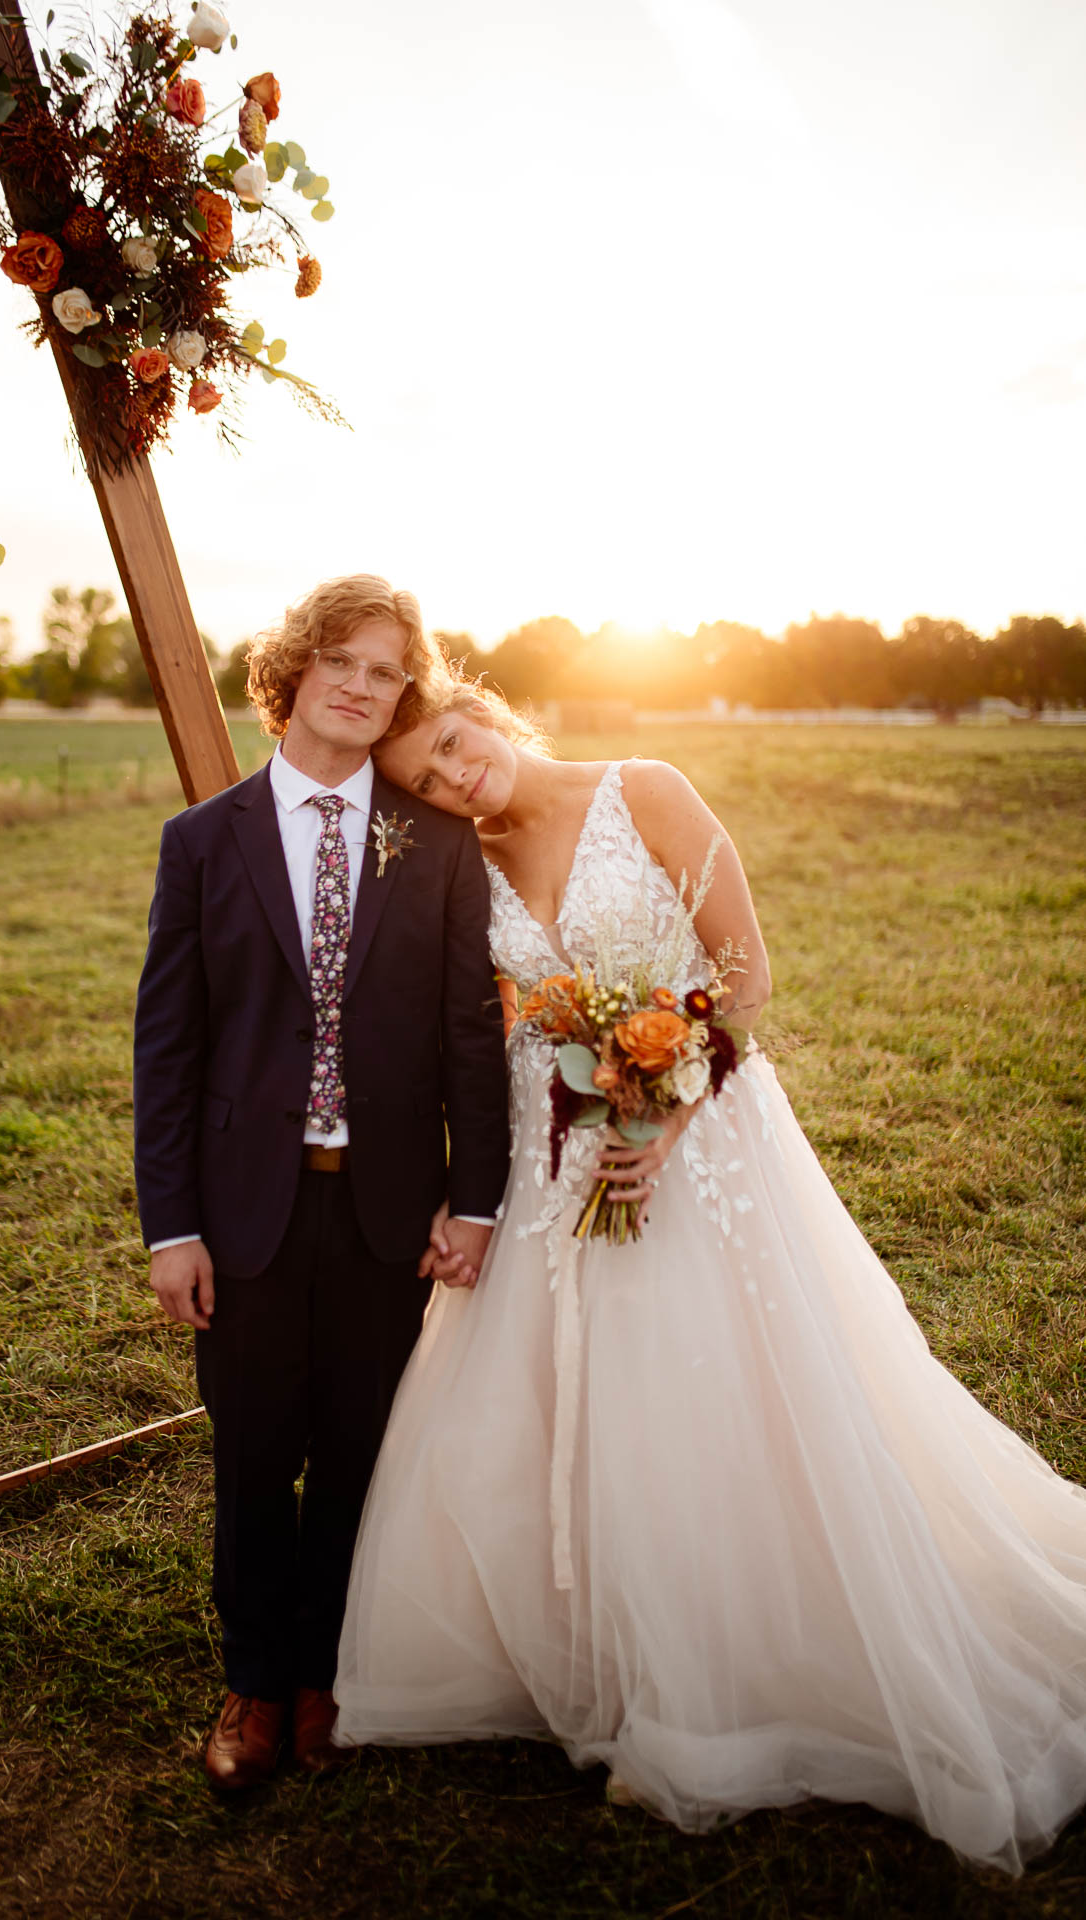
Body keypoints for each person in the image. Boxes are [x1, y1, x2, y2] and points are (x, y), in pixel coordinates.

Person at [333, 680, 1086, 1875]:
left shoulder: (646, 792)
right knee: (543, 1394)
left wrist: (666, 1108)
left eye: (455, 749)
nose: (454, 781)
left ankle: (720, 1667)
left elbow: (745, 977)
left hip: (695, 1141)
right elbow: (483, 1031)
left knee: (710, 1383)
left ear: (481, 710)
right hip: (544, 1153)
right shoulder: (455, 866)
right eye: (426, 780)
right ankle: (575, 1639)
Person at [133, 579, 509, 1793]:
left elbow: (469, 1035)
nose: (362, 685)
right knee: (250, 1452)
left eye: (389, 672)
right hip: (243, 1211)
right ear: (291, 671)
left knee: (360, 1447)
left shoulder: (440, 845)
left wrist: (478, 1199)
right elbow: (169, 1048)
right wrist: (172, 1225)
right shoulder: (203, 841)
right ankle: (251, 1680)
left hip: (387, 1210)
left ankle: (326, 1673)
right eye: (342, 660)